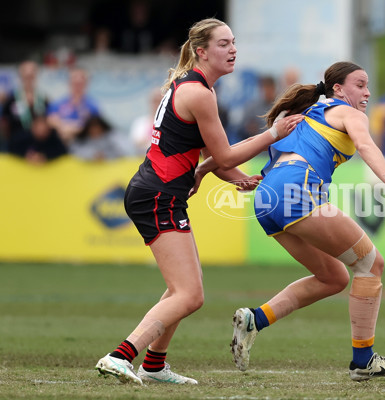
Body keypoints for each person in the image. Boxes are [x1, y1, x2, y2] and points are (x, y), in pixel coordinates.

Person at [94, 18, 303, 385]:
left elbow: (211, 158)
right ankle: (119, 356)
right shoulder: (199, 93)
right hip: (156, 194)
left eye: (234, 42)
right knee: (190, 295)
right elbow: (222, 156)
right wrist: (272, 134)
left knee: (184, 288)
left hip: (158, 193)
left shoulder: (193, 87)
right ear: (201, 52)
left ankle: (154, 365)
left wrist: (236, 178)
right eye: (224, 44)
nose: (233, 49)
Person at [194, 61, 385, 381]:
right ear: (338, 90)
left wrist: (207, 168)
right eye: (360, 84)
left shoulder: (302, 115)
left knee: (333, 278)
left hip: (267, 199)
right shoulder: (350, 113)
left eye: (368, 85)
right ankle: (364, 360)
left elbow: (249, 153)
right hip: (296, 192)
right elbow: (366, 144)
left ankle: (254, 320)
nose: (368, 92)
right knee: (371, 265)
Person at [1, 60, 49, 155]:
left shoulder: (43, 99)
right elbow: (5, 126)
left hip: (40, 148)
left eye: (31, 76)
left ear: (36, 76)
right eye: (26, 76)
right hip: (16, 148)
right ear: (20, 77)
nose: (29, 79)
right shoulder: (11, 99)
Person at [47, 67, 101, 145]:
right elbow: (51, 121)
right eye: (75, 80)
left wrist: (69, 128)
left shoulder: (93, 105)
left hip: (84, 143)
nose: (78, 82)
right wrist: (76, 126)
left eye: (81, 81)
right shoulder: (57, 103)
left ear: (86, 83)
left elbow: (94, 127)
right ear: (69, 82)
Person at [239, 75, 277, 140]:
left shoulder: (281, 106)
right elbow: (242, 128)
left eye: (269, 89)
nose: (267, 92)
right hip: (257, 144)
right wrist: (249, 128)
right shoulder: (252, 107)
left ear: (274, 88)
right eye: (265, 89)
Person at [129, 87, 163, 155]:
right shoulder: (140, 123)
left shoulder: (170, 123)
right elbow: (135, 143)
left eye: (159, 101)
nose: (157, 105)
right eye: (155, 101)